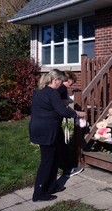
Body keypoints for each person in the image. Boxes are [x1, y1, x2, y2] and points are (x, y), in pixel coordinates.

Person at [29, 69, 86, 202]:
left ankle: (52, 186)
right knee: (47, 162)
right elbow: (62, 111)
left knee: (54, 158)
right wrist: (78, 114)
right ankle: (38, 193)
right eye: (60, 81)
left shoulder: (39, 91)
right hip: (47, 131)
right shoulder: (52, 93)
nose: (61, 84)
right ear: (55, 80)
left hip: (39, 129)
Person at [57, 70, 84, 177]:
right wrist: (76, 113)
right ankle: (68, 169)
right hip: (56, 119)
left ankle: (62, 166)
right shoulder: (63, 88)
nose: (73, 84)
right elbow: (64, 104)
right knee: (62, 145)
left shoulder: (56, 88)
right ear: (69, 80)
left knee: (60, 144)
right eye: (73, 82)